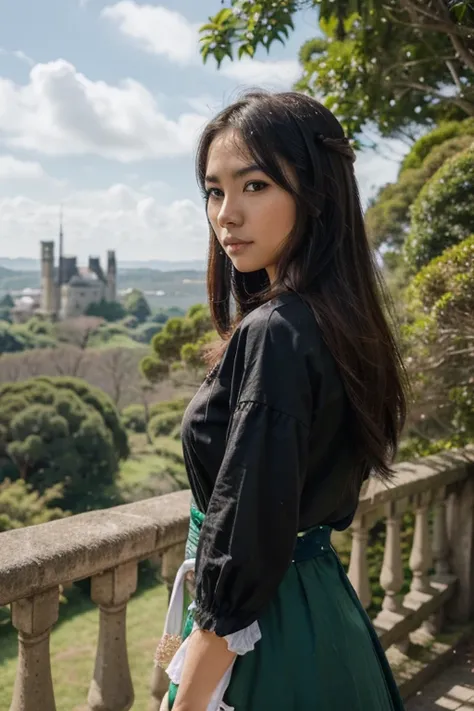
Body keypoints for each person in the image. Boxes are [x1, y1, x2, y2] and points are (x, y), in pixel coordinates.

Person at [155, 90, 408, 711]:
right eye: (214, 191)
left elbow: (246, 544)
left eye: (256, 185)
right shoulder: (334, 322)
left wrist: (186, 703)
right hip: (319, 614)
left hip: (264, 640)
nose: (227, 215)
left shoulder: (278, 332)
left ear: (317, 192)